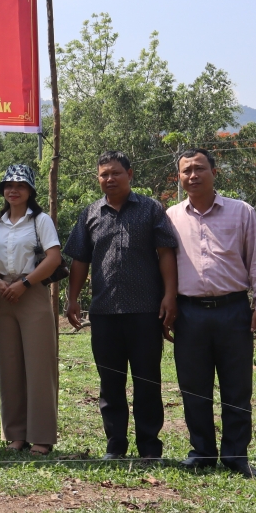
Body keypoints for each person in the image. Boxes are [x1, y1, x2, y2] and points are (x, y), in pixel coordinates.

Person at [168, 148, 256, 478]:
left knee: (237, 387)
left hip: (233, 311)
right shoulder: (170, 217)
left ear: (214, 172)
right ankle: (202, 453)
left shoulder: (241, 212)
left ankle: (235, 456)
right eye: (186, 171)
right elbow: (163, 266)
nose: (193, 175)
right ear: (179, 177)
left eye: (200, 168)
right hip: (188, 313)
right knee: (193, 387)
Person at [64, 151, 178, 461]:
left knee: (147, 381)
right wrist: (72, 298)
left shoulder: (151, 209)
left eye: (115, 173)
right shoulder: (90, 213)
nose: (110, 179)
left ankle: (149, 448)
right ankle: (115, 446)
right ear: (97, 178)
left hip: (145, 311)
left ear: (130, 174)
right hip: (104, 313)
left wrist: (170, 295)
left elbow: (166, 252)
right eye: (104, 174)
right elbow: (80, 259)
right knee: (110, 382)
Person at [0, 165, 62, 456]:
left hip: (32, 293)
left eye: (20, 185)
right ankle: (16, 434)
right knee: (9, 365)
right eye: (8, 185)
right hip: (4, 295)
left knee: (39, 366)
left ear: (30, 190)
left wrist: (25, 284)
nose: (13, 190)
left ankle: (41, 436)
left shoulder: (40, 220)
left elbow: (53, 258)